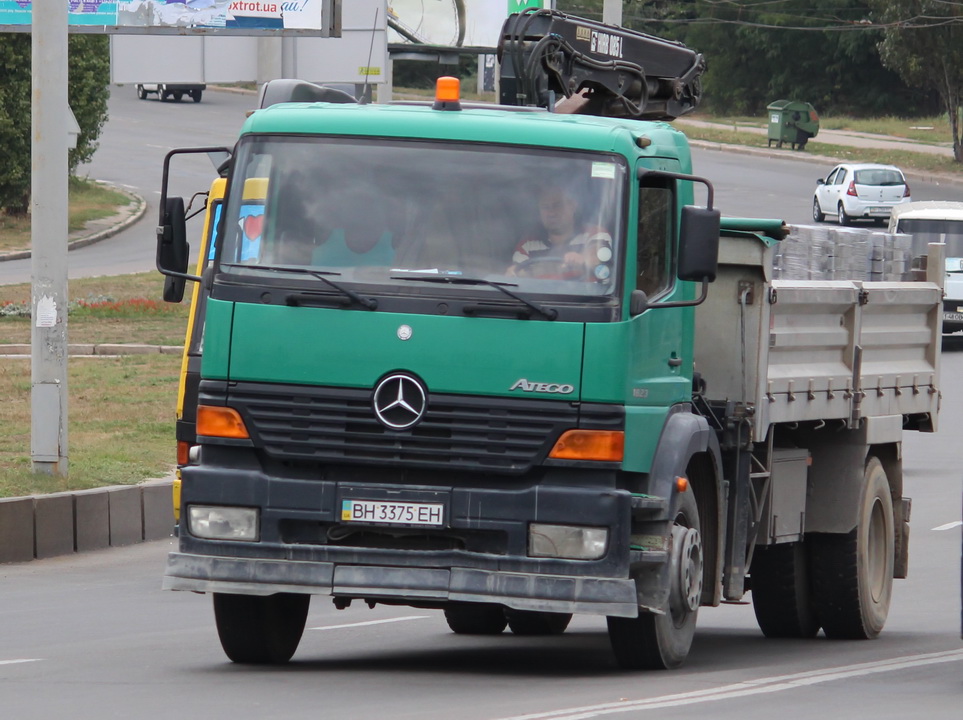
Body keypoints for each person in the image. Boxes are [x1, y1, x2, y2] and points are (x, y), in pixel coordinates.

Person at [507, 182, 612, 280]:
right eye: (545, 207)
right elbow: (515, 274)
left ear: (572, 206)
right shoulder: (527, 245)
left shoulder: (595, 234)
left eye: (557, 205)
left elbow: (597, 256)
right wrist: (513, 273)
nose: (551, 213)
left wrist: (583, 259)